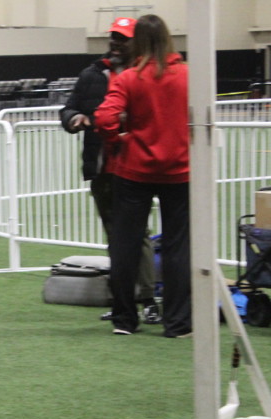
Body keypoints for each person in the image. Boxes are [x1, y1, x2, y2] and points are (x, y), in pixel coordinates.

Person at [60, 17, 160, 325]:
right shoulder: (92, 74)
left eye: (123, 38)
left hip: (135, 167)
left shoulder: (144, 74)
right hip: (102, 168)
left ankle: (148, 300)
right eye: (114, 37)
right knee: (115, 237)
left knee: (138, 234)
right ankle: (122, 301)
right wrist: (74, 118)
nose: (116, 43)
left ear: (136, 42)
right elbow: (69, 108)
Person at [94, 14, 190, 338]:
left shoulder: (128, 78)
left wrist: (118, 139)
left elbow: (104, 118)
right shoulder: (188, 75)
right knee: (178, 247)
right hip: (179, 171)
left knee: (126, 245)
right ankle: (177, 323)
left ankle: (125, 320)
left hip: (134, 170)